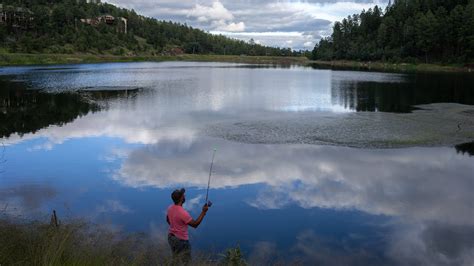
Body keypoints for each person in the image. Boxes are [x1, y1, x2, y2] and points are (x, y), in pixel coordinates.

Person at [166, 188, 210, 264]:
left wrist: (175, 226)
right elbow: (195, 224)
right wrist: (203, 212)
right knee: (186, 262)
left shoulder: (170, 208)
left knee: (175, 258)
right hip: (181, 241)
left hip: (171, 237)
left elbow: (167, 219)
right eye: (183, 195)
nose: (185, 196)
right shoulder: (182, 213)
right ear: (181, 198)